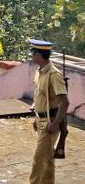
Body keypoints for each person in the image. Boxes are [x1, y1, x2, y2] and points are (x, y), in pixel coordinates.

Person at [29, 39, 69, 184]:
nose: (31, 56)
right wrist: (37, 117)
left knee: (38, 160)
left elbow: (64, 102)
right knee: (47, 159)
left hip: (50, 123)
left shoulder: (54, 75)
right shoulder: (39, 72)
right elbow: (41, 98)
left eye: (33, 53)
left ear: (39, 55)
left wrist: (55, 123)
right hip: (41, 120)